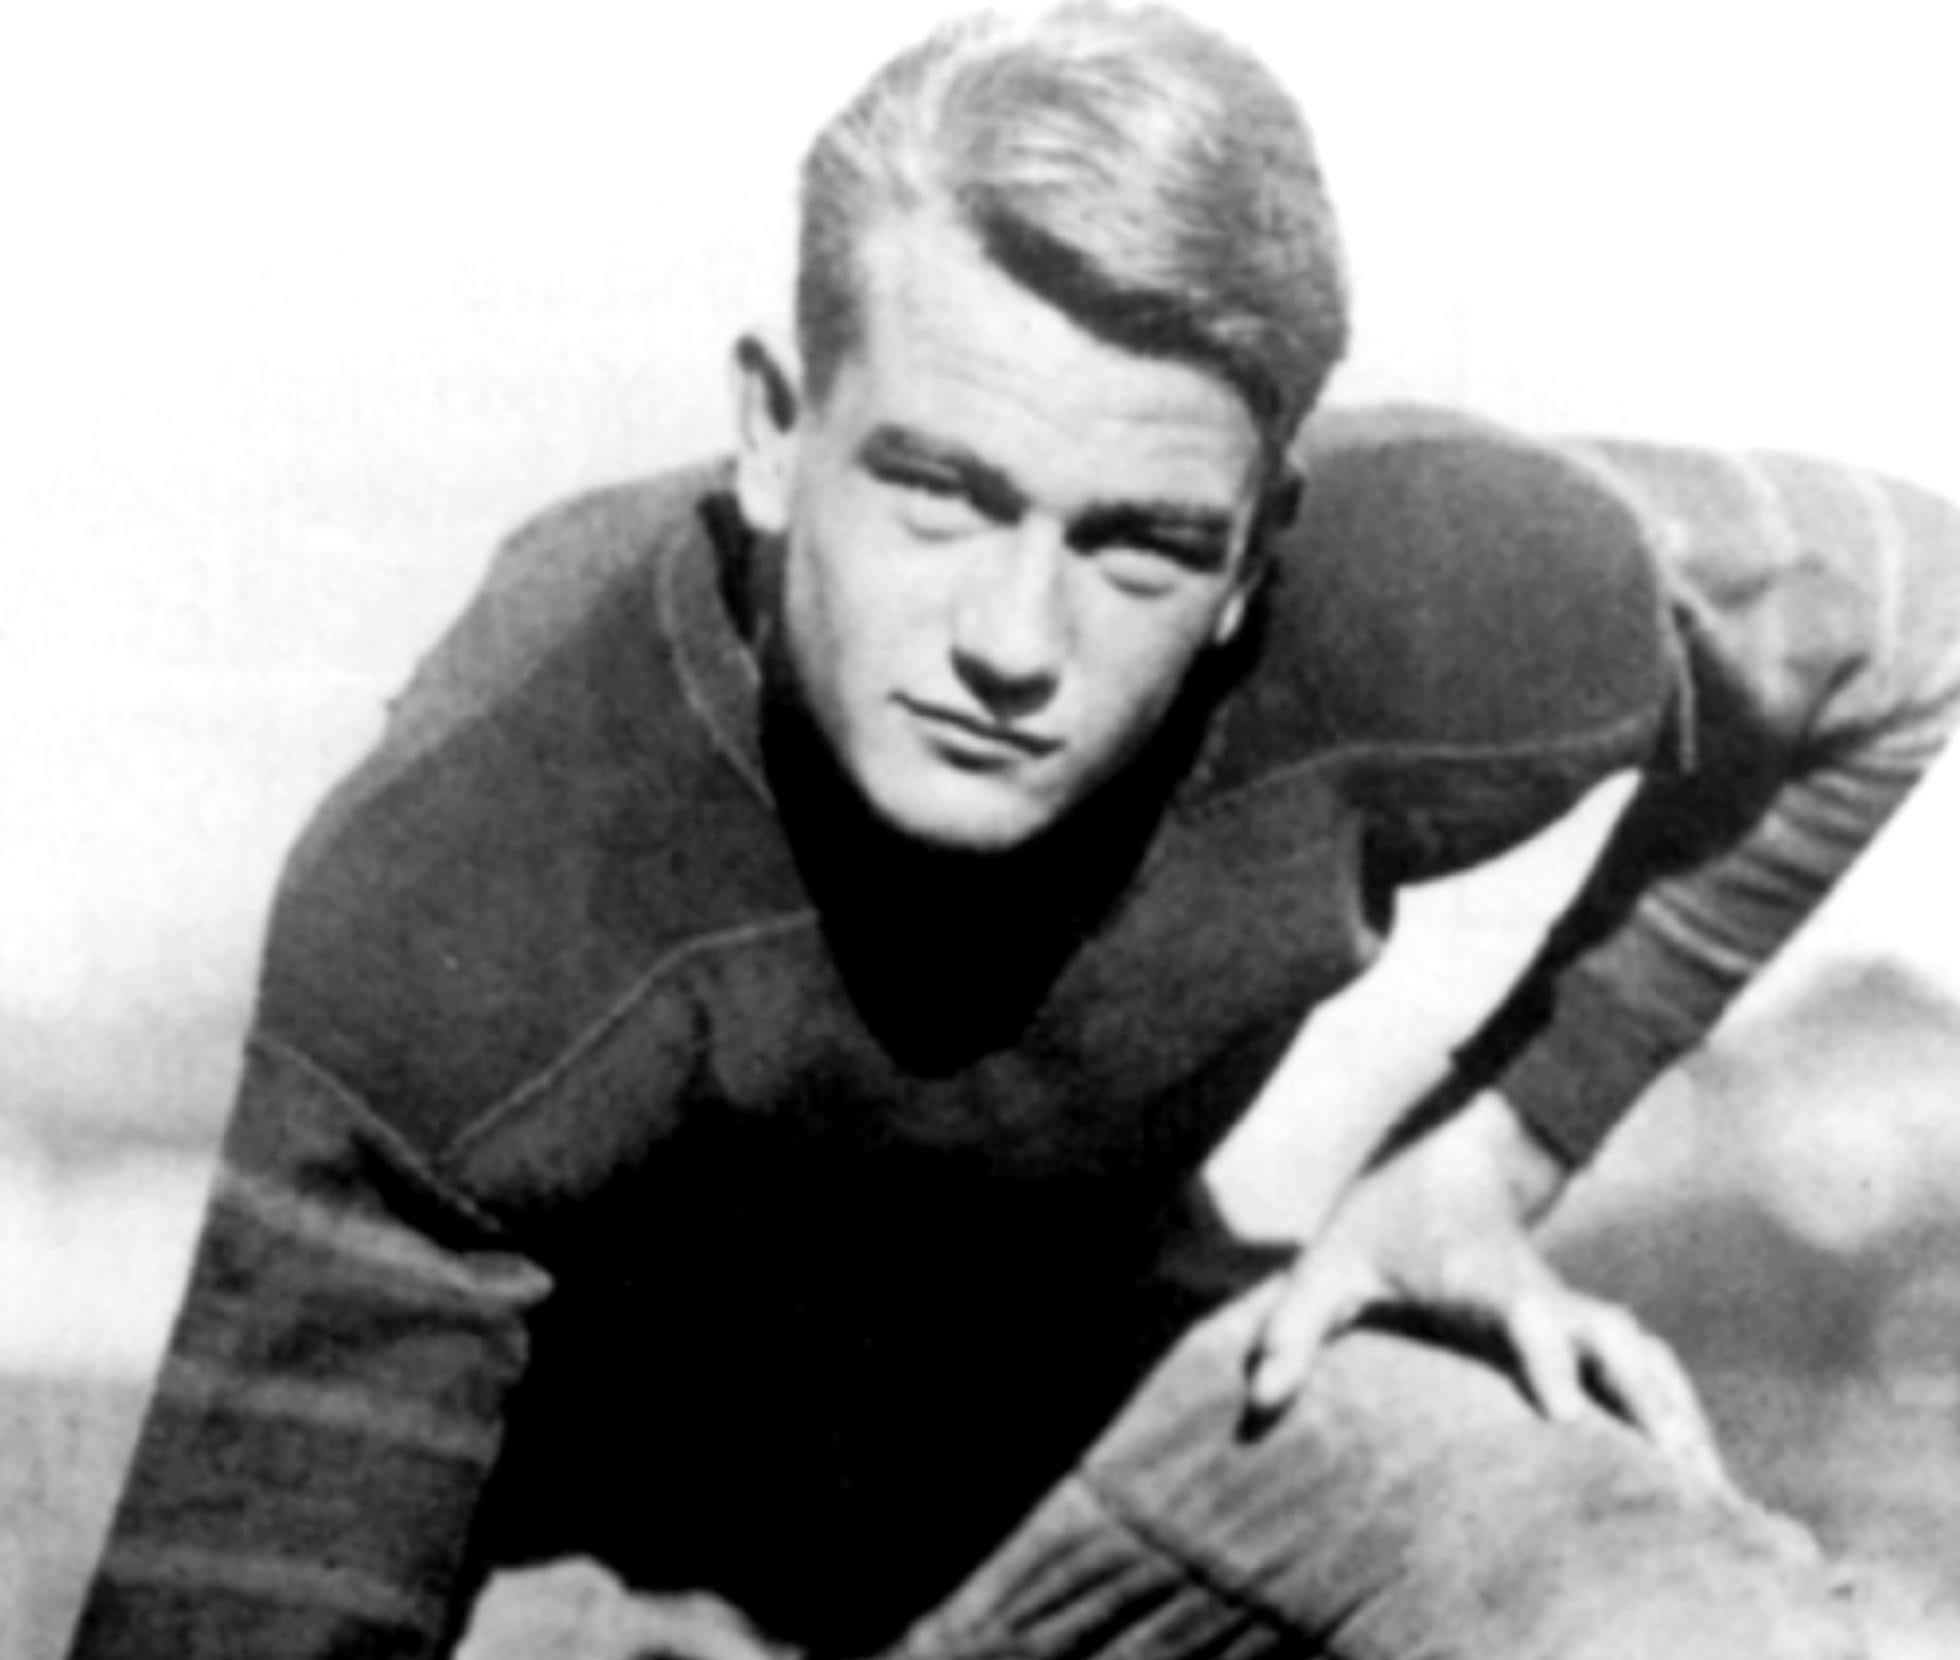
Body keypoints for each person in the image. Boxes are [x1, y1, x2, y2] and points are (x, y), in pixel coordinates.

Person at [70, 4, 1960, 1657]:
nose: (1013, 646)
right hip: (571, 1504)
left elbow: (1908, 609)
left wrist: (1510, 1141)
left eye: (1135, 542)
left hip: (1088, 1397)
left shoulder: (1425, 604)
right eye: (940, 492)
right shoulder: (480, 863)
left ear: (1256, 554)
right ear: (773, 428)